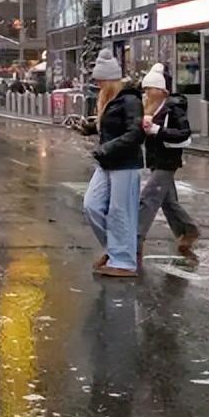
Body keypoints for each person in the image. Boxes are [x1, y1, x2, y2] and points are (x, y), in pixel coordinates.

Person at [78, 49, 145, 278]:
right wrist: (88, 129)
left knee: (120, 212)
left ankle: (124, 261)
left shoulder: (130, 100)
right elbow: (109, 128)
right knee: (91, 205)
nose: (97, 84)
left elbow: (135, 133)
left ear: (110, 80)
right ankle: (116, 250)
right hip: (107, 162)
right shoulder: (110, 100)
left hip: (125, 163)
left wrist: (106, 148)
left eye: (100, 80)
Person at [136, 63, 200, 262]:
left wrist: (156, 130)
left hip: (167, 161)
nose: (146, 94)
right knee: (168, 201)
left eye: (150, 90)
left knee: (148, 198)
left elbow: (184, 132)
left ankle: (135, 239)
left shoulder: (173, 108)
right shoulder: (150, 108)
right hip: (156, 159)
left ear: (160, 91)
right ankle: (188, 230)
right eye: (145, 90)